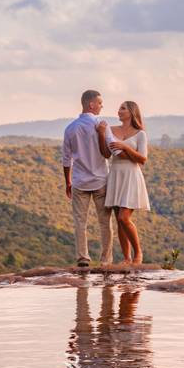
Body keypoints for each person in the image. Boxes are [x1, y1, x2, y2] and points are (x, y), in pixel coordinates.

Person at [62, 90, 115, 267]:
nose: (102, 106)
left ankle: (83, 257)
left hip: (79, 181)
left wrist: (67, 181)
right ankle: (106, 260)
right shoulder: (102, 125)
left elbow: (66, 158)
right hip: (101, 180)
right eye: (100, 103)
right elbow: (108, 153)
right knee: (105, 222)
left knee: (80, 222)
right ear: (91, 104)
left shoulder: (70, 128)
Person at [96, 101, 149, 265]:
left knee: (123, 217)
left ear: (132, 112)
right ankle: (126, 257)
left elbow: (142, 159)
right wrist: (101, 134)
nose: (119, 111)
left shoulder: (140, 134)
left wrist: (124, 147)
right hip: (116, 174)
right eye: (119, 108)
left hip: (131, 175)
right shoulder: (111, 130)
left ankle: (138, 253)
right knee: (118, 219)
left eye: (123, 108)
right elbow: (106, 154)